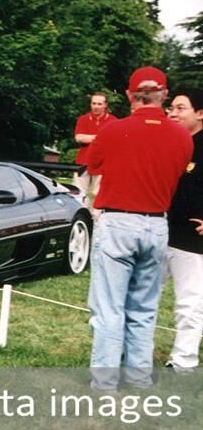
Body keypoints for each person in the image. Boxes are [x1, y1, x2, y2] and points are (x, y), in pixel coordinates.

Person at [85, 66, 192, 390]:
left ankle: (104, 383)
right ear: (164, 95)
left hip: (119, 221)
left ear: (131, 95)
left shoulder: (114, 130)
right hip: (157, 224)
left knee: (109, 308)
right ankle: (139, 378)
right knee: (144, 308)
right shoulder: (182, 136)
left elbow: (94, 165)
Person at [163, 87, 203, 369]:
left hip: (191, 240)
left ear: (200, 113)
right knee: (144, 298)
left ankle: (183, 362)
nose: (172, 113)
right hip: (157, 232)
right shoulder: (171, 142)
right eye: (171, 108)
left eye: (180, 108)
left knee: (189, 304)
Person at [73, 92, 114, 209]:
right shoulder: (83, 119)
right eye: (93, 103)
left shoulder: (113, 121)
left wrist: (88, 138)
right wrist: (100, 138)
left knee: (99, 194)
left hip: (103, 163)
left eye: (99, 104)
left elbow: (113, 141)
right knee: (79, 192)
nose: (96, 106)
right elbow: (78, 137)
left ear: (105, 105)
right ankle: (80, 216)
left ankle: (97, 221)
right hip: (83, 161)